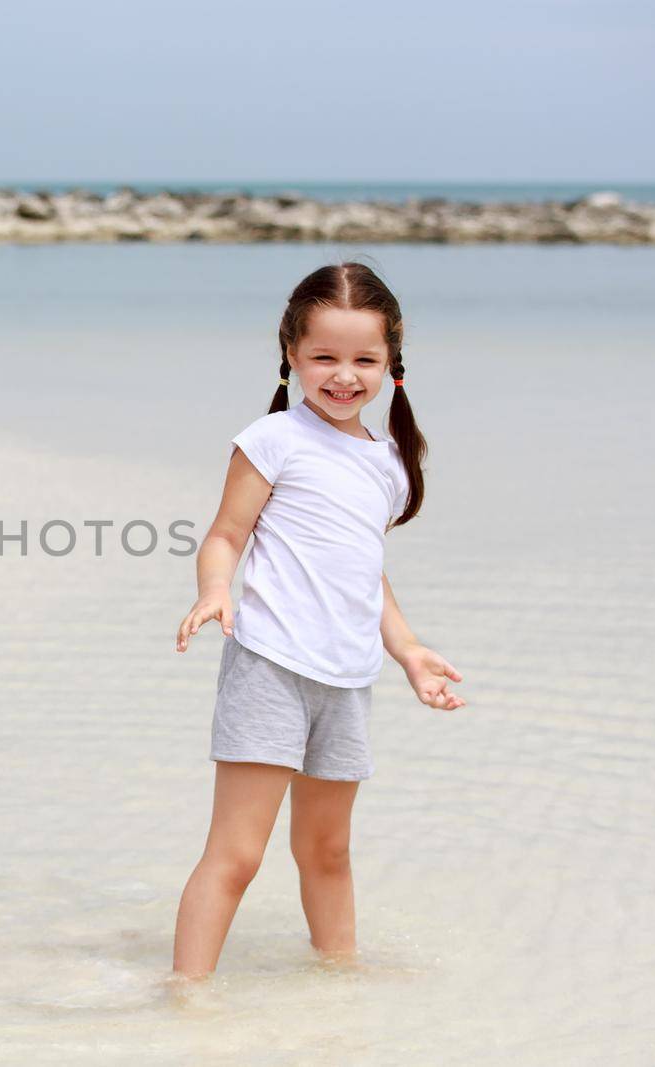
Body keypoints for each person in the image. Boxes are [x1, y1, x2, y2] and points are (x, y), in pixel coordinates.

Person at [170, 260, 466, 979]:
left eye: (364, 358)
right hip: (271, 665)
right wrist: (216, 588)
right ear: (291, 357)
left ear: (393, 361)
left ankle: (338, 990)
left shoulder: (389, 459)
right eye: (323, 357)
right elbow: (224, 535)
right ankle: (185, 999)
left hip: (346, 678)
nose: (344, 375)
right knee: (237, 855)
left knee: (328, 851)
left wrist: (409, 649)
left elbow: (365, 567)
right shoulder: (272, 439)